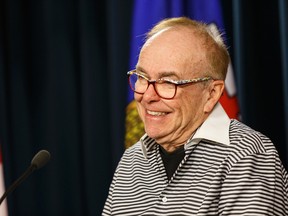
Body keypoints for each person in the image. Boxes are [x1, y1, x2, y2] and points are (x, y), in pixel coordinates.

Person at [102, 17, 288, 215]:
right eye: (142, 77)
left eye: (168, 82)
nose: (147, 96)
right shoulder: (131, 160)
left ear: (211, 94)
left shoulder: (246, 155)